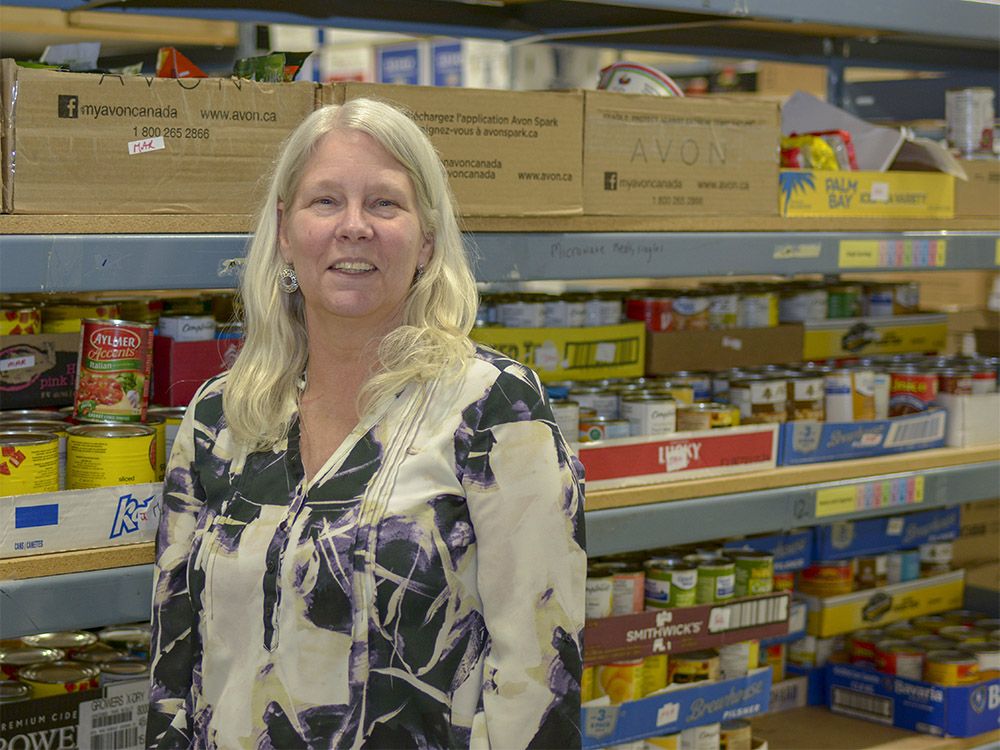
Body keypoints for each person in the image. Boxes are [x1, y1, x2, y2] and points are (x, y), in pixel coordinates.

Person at [146, 97, 586, 750]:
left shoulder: (495, 408)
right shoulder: (220, 418)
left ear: (427, 238)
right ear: (285, 230)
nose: (354, 226)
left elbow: (538, 678)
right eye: (325, 201)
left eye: (384, 203)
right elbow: (172, 670)